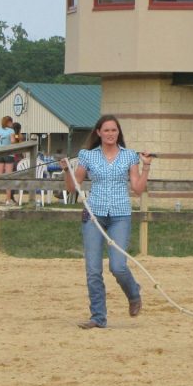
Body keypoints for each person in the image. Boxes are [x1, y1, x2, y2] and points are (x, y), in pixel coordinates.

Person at [62, 114, 153, 329]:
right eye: (107, 130)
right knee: (93, 269)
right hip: (94, 214)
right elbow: (72, 187)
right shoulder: (87, 156)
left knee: (118, 266)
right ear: (99, 133)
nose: (111, 134)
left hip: (120, 215)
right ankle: (98, 317)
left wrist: (146, 167)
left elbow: (138, 189)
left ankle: (133, 292)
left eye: (114, 130)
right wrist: (67, 170)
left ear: (118, 133)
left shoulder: (129, 156)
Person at [0, 115, 16, 205]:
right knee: (8, 177)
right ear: (8, 122)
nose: (12, 124)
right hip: (9, 154)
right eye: (11, 122)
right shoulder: (11, 131)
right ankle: (8, 199)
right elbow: (13, 141)